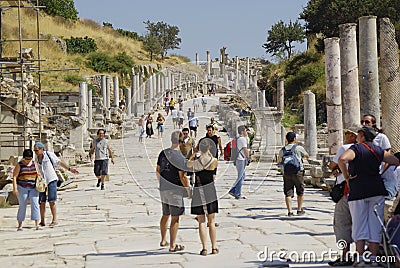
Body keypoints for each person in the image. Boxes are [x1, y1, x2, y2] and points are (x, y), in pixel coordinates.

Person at [338, 126, 399, 266]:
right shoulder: (378, 150)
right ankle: (373, 257)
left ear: (361, 135)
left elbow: (342, 159)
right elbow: (395, 161)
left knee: (359, 223)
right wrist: (381, 173)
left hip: (358, 188)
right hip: (377, 189)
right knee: (375, 223)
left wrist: (347, 177)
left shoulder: (356, 148)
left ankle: (360, 257)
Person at [328, 127, 358, 266]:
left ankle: (345, 255)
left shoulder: (345, 148)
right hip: (364, 191)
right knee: (360, 224)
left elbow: (332, 165)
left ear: (353, 136)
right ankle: (361, 256)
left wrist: (339, 170)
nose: (345, 135)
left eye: (347, 133)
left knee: (342, 223)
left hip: (345, 191)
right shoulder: (370, 148)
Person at [156, 131, 190, 252]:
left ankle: (163, 240)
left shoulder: (163, 153)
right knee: (175, 218)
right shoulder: (179, 157)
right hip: (175, 189)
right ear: (181, 142)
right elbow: (182, 176)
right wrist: (188, 189)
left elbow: (158, 170)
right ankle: (172, 245)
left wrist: (161, 183)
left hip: (163, 189)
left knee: (165, 215)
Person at [34, 142, 79, 227]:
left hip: (51, 179)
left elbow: (59, 162)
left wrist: (70, 169)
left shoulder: (49, 154)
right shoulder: (36, 158)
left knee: (52, 200)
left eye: (36, 150)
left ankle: (54, 219)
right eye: (34, 151)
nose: (35, 152)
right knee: (42, 201)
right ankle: (42, 221)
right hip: (42, 182)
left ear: (42, 149)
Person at [187, 139, 219, 256]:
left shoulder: (196, 162)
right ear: (209, 147)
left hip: (199, 190)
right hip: (210, 190)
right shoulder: (214, 161)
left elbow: (187, 165)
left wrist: (194, 153)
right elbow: (214, 176)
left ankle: (204, 248)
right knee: (211, 221)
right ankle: (214, 247)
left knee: (201, 221)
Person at [278, 132, 309, 216]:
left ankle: (290, 211)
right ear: (294, 139)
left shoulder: (283, 149)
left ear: (286, 139)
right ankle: (299, 209)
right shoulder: (298, 148)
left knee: (288, 192)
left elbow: (279, 160)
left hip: (287, 172)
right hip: (298, 171)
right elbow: (307, 155)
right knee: (300, 191)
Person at [12, 149, 40, 231]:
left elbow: (38, 174)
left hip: (33, 187)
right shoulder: (20, 164)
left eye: (29, 159)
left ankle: (37, 224)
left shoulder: (34, 164)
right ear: (23, 158)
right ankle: (20, 224)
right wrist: (15, 188)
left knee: (35, 204)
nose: (28, 161)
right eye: (26, 159)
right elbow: (14, 177)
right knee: (22, 205)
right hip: (22, 187)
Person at [228, 125, 251, 199]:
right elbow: (245, 149)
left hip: (238, 159)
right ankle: (237, 193)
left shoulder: (238, 138)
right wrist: (248, 158)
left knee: (242, 176)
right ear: (242, 132)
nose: (246, 132)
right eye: (245, 130)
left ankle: (234, 190)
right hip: (241, 159)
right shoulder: (242, 139)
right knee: (241, 177)